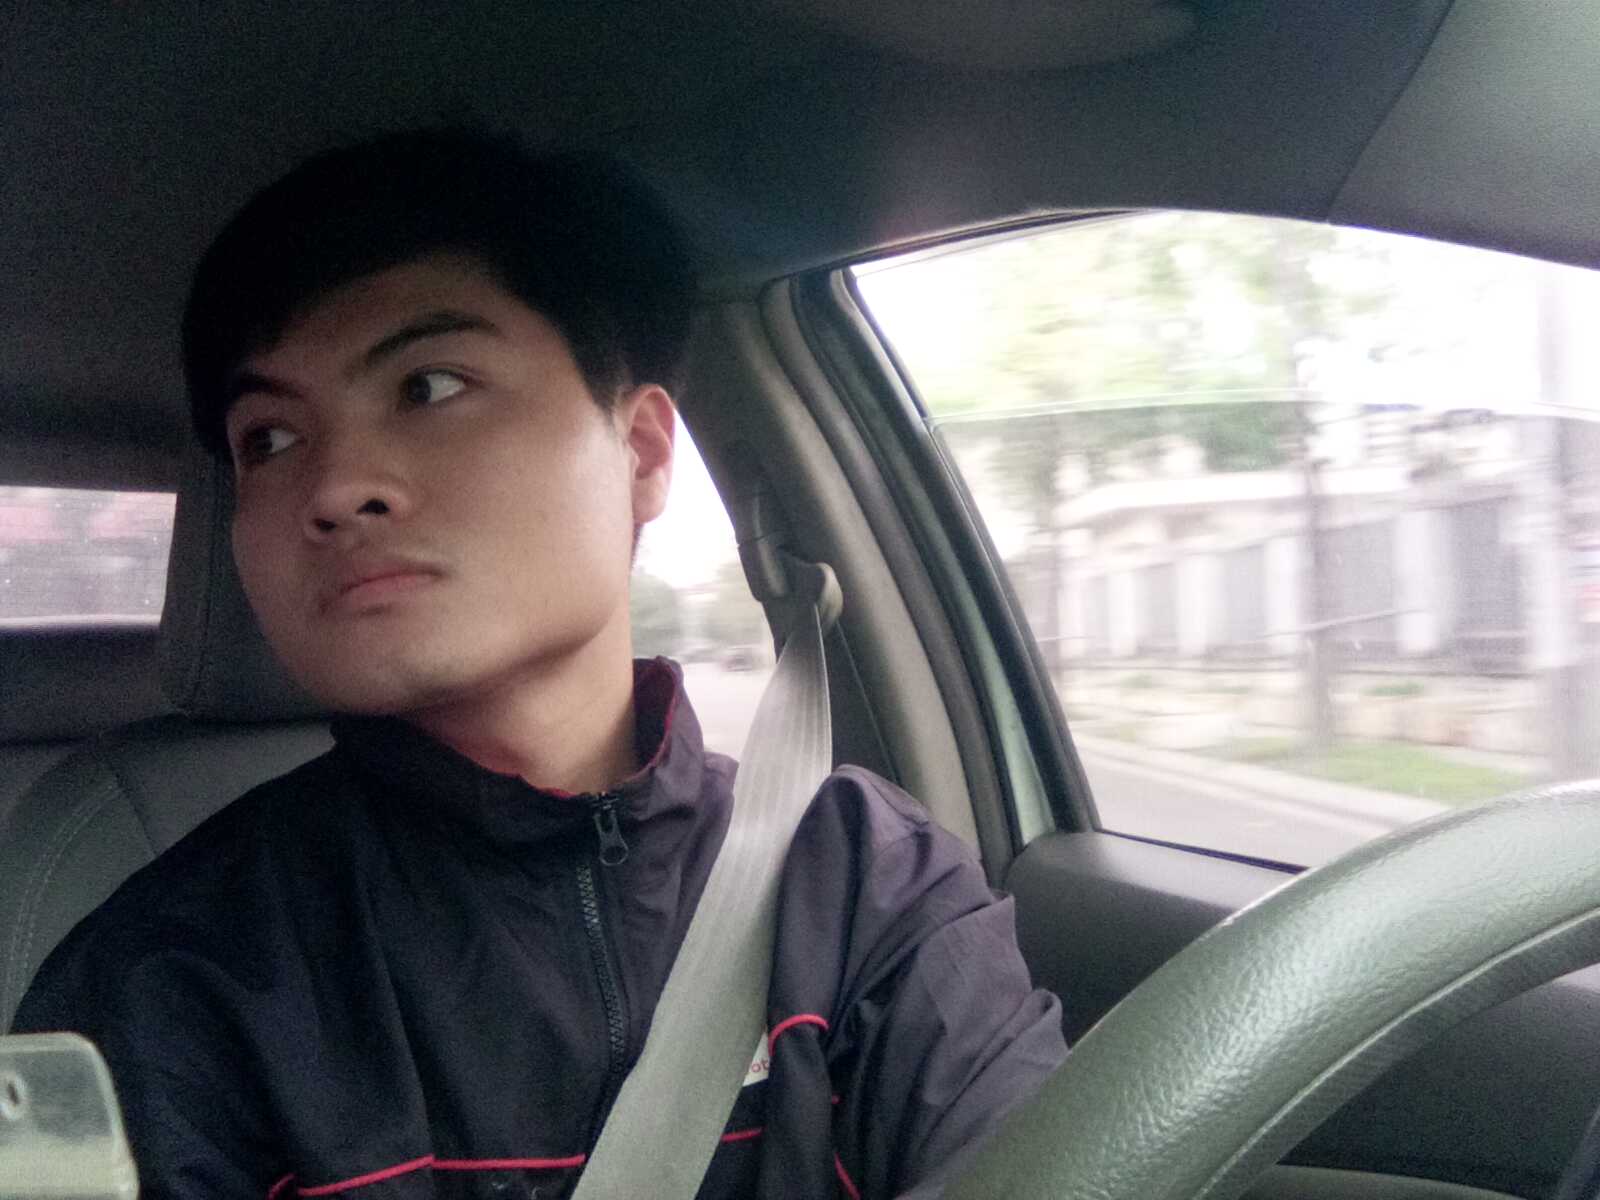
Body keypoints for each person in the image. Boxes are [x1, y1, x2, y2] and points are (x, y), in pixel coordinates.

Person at [11, 129, 1068, 1199]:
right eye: (269, 441)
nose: (333, 488)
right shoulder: (171, 980)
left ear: (641, 454)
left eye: (429, 386)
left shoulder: (867, 886)